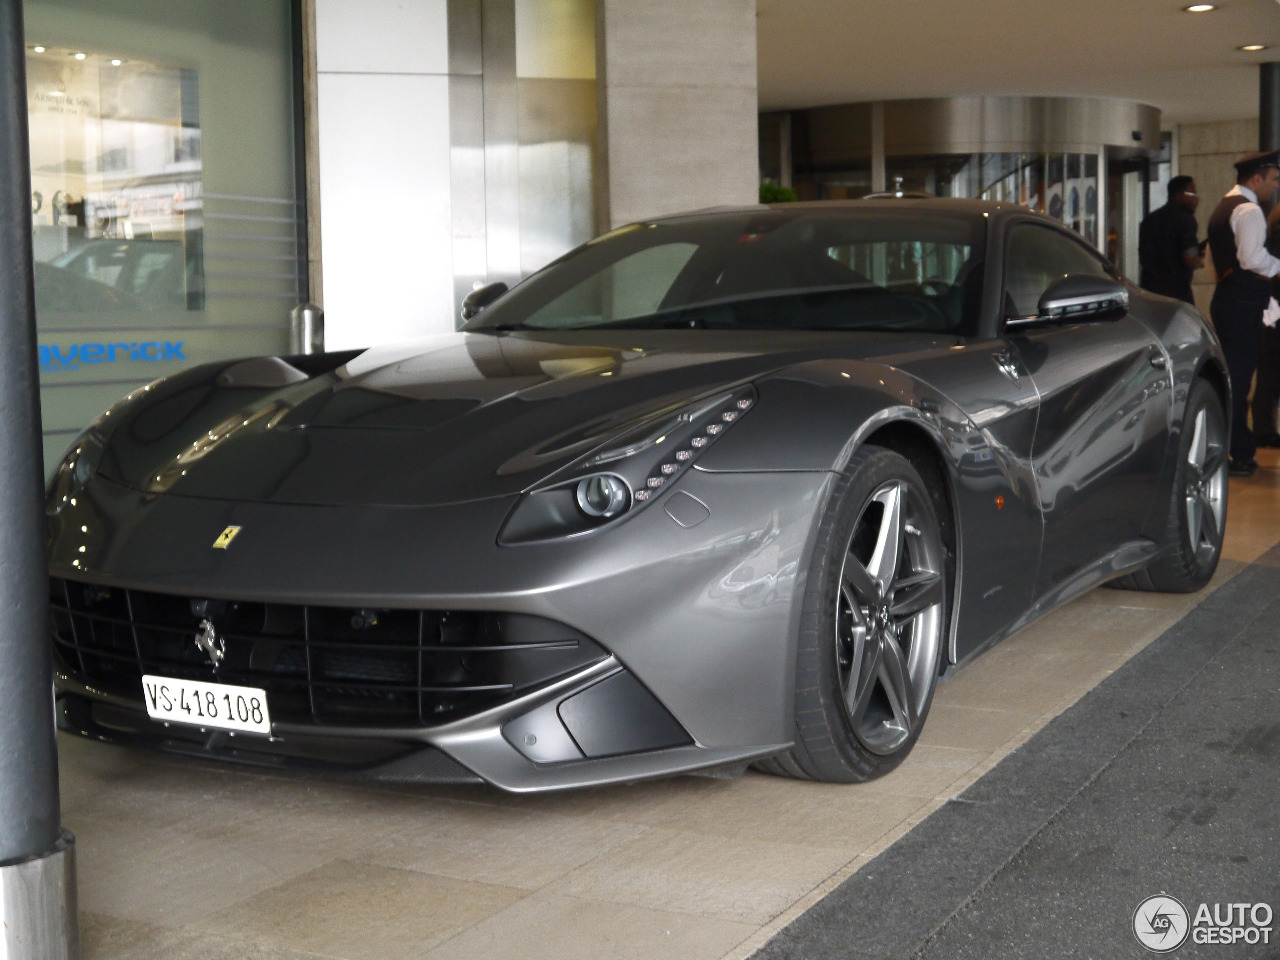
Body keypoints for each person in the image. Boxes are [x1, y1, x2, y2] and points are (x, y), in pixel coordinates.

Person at [1207, 150, 1280, 476]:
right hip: (1243, 304)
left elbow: (1211, 260)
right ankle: (1237, 451)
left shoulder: (1224, 206)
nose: (1275, 187)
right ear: (1257, 178)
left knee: (1232, 378)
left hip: (1228, 299)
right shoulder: (1249, 210)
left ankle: (1230, 448)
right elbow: (1252, 259)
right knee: (1238, 380)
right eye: (1274, 179)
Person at [1139, 175, 1204, 304]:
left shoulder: (1149, 220)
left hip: (1149, 292)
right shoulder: (1186, 220)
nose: (1196, 199)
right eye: (1192, 193)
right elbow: (1190, 260)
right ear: (1178, 195)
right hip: (1177, 295)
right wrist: (1202, 260)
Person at [1251, 204, 1280, 448]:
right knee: (1271, 366)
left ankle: (1265, 428)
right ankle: (1263, 430)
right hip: (1275, 304)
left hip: (1273, 304)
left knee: (1271, 366)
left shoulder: (1275, 215)